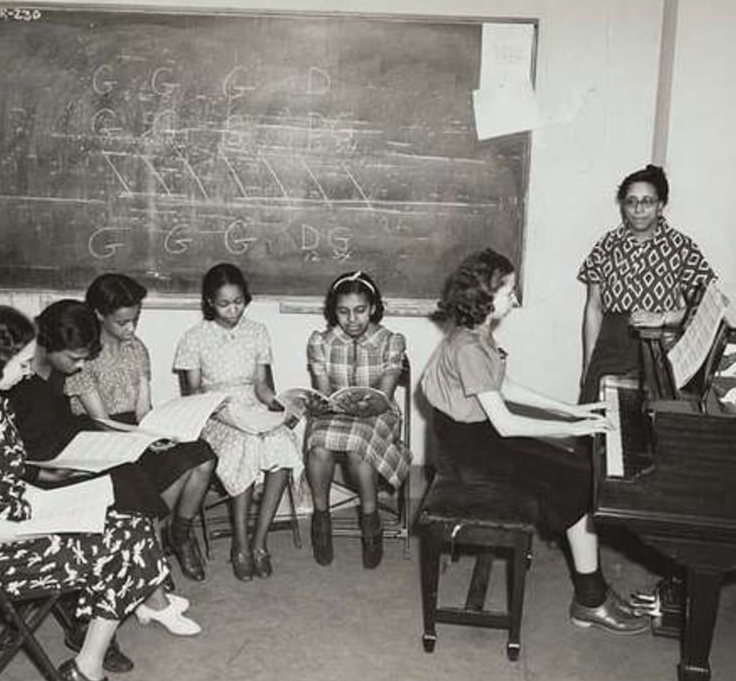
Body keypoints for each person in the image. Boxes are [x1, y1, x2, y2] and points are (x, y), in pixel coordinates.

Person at [0, 306, 197, 681]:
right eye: (20, 364)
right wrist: (62, 519)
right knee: (123, 543)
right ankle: (89, 666)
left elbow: (10, 485)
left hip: (15, 525)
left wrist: (73, 502)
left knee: (130, 516)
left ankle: (89, 650)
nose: (27, 372)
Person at [420, 249, 649, 634]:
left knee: (578, 470)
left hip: (480, 438)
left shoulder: (477, 332)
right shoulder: (467, 347)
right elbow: (507, 425)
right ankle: (590, 599)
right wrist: (574, 430)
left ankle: (591, 593)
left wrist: (572, 411)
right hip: (466, 453)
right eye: (509, 291)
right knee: (575, 478)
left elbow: (504, 386)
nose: (516, 298)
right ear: (485, 297)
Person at [7, 299, 217, 657]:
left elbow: (64, 423)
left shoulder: (56, 372)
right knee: (127, 487)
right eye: (75, 358)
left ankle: (146, 590)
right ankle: (151, 598)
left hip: (70, 455)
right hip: (41, 476)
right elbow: (13, 453)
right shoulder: (15, 384)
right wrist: (49, 466)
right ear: (49, 345)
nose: (81, 366)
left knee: (136, 474)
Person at [65, 274, 217, 582]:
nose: (131, 329)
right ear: (98, 314)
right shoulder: (83, 354)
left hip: (137, 428)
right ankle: (153, 544)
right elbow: (100, 420)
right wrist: (145, 441)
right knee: (169, 468)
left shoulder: (136, 348)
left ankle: (180, 533)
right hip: (100, 436)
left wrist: (162, 430)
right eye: (123, 322)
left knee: (201, 456)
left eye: (135, 319)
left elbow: (143, 408)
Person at [173, 263, 303, 581]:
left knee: (280, 443)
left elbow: (261, 385)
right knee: (244, 446)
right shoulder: (194, 338)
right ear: (209, 302)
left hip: (252, 406)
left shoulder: (257, 331)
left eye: (239, 301)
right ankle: (240, 546)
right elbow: (193, 394)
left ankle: (260, 543)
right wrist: (223, 413)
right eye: (224, 303)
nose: (233, 310)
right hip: (215, 413)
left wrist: (280, 406)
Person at [578, 163, 716, 403]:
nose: (638, 209)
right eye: (631, 201)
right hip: (610, 345)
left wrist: (663, 317)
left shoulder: (682, 247)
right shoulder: (606, 245)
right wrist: (588, 364)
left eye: (647, 201)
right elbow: (594, 307)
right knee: (595, 424)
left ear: (661, 205)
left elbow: (703, 309)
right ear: (623, 205)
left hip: (659, 351)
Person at [303, 270, 411, 569]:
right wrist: (322, 405)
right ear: (333, 310)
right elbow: (325, 393)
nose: (352, 319)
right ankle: (321, 518)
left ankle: (369, 518)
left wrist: (366, 404)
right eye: (343, 311)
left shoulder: (390, 341)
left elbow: (384, 395)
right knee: (318, 445)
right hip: (338, 413)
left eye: (360, 311)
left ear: (373, 307)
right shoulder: (321, 342)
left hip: (378, 412)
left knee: (356, 447)